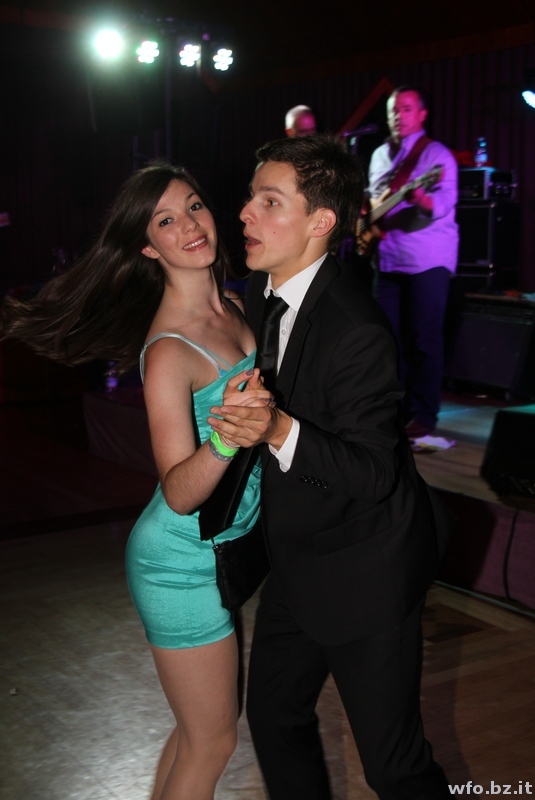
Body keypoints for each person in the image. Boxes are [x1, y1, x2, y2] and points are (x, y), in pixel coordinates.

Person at [1, 162, 272, 800]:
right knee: (214, 742)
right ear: (148, 247)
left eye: (194, 206)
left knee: (196, 733)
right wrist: (227, 437)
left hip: (220, 547)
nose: (190, 226)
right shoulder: (171, 350)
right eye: (165, 221)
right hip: (179, 564)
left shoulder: (236, 306)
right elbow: (178, 490)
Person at [207, 134, 453, 800]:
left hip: (366, 570)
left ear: (320, 222)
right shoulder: (261, 292)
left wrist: (277, 428)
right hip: (298, 561)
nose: (245, 213)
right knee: (273, 717)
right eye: (250, 198)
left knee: (394, 768)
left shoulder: (357, 329)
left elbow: (374, 474)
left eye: (269, 201)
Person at [366, 86, 459, 440]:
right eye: (393, 110)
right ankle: (392, 412)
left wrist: (421, 198)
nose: (398, 116)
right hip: (388, 257)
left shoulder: (436, 155)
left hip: (427, 259)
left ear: (422, 115)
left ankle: (423, 415)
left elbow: (443, 205)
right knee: (387, 340)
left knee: (424, 339)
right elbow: (374, 200)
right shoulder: (379, 155)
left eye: (406, 109)